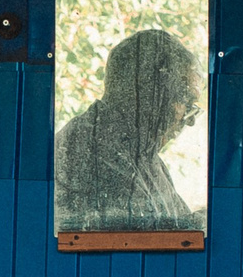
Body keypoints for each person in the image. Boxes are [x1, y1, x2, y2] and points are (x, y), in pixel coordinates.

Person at [54, 27, 204, 232]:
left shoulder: (141, 152)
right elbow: (148, 237)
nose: (189, 120)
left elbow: (177, 225)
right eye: (185, 101)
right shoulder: (94, 149)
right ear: (149, 92)